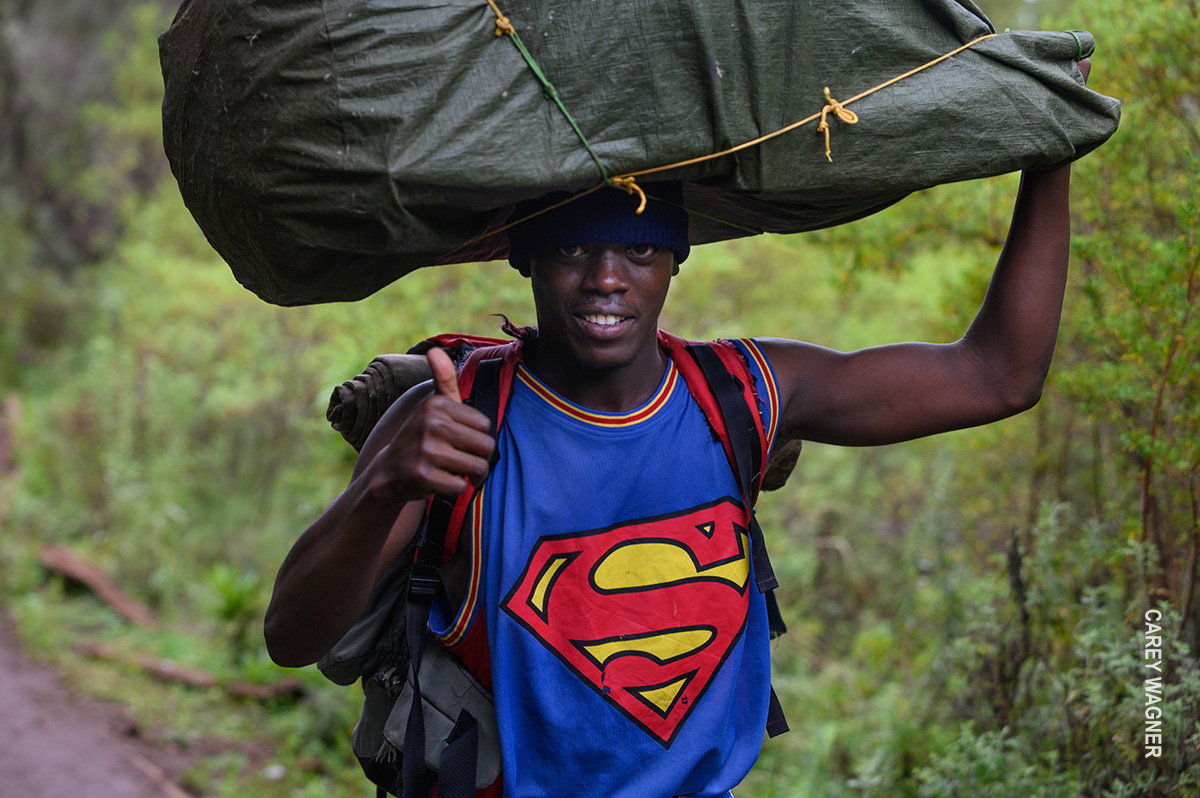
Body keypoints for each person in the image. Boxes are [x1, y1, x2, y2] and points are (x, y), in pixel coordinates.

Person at [265, 62, 1086, 798]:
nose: (607, 279)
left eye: (640, 251)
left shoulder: (742, 394)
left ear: (677, 260)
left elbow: (998, 375)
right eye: (573, 249)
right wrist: (383, 487)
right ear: (524, 257)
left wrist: (1053, 146)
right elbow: (291, 638)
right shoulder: (456, 416)